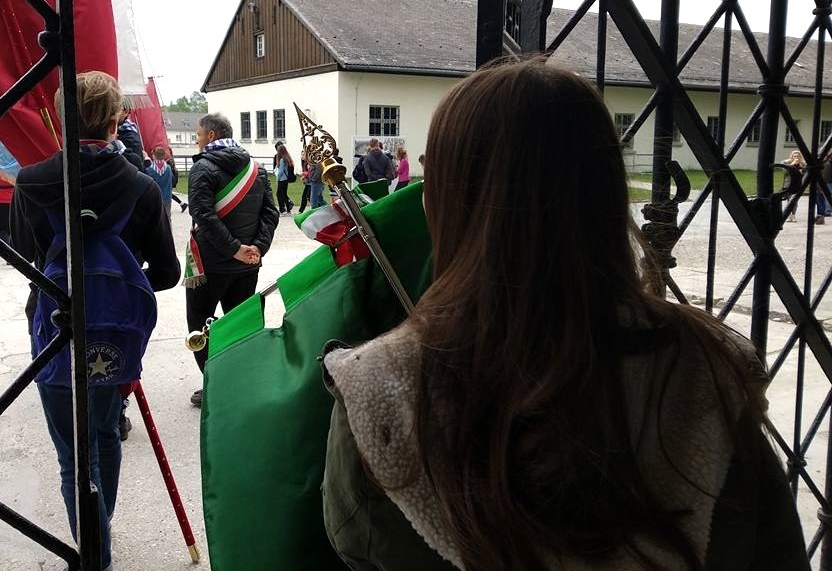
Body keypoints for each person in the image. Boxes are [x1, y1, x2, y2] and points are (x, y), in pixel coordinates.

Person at [321, 60, 809, 571]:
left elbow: (360, 544)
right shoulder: (705, 372)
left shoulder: (383, 390)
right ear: (606, 194)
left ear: (446, 201)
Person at [10, 71, 180, 571]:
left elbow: (24, 257)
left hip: (53, 329)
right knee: (105, 434)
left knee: (71, 456)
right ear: (115, 121)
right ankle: (99, 528)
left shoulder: (32, 181)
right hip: (115, 337)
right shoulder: (143, 187)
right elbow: (167, 274)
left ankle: (93, 554)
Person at [185, 113, 279, 407]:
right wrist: (256, 249)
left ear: (211, 135)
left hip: (212, 265)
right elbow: (270, 214)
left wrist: (234, 249)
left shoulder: (202, 168)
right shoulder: (257, 168)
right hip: (247, 265)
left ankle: (216, 385)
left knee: (200, 324)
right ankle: (243, 380)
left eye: (198, 134)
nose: (197, 139)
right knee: (241, 323)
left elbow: (202, 215)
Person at [144, 145, 174, 210]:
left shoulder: (149, 170)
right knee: (167, 217)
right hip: (167, 197)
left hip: (154, 198)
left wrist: (146, 158)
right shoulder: (168, 168)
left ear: (154, 155)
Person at [782, 149, 805, 222]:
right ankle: (788, 215)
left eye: (798, 156)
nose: (796, 158)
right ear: (791, 156)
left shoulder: (803, 164)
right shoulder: (786, 163)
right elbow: (785, 172)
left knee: (794, 200)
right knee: (789, 200)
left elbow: (805, 174)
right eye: (794, 156)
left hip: (797, 184)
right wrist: (792, 165)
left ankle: (793, 215)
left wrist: (801, 168)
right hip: (788, 184)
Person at [274, 143, 295, 215]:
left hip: (282, 179)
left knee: (278, 194)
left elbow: (280, 172)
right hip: (286, 179)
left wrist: (277, 180)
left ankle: (282, 210)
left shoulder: (282, 160)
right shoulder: (287, 158)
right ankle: (288, 210)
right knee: (284, 194)